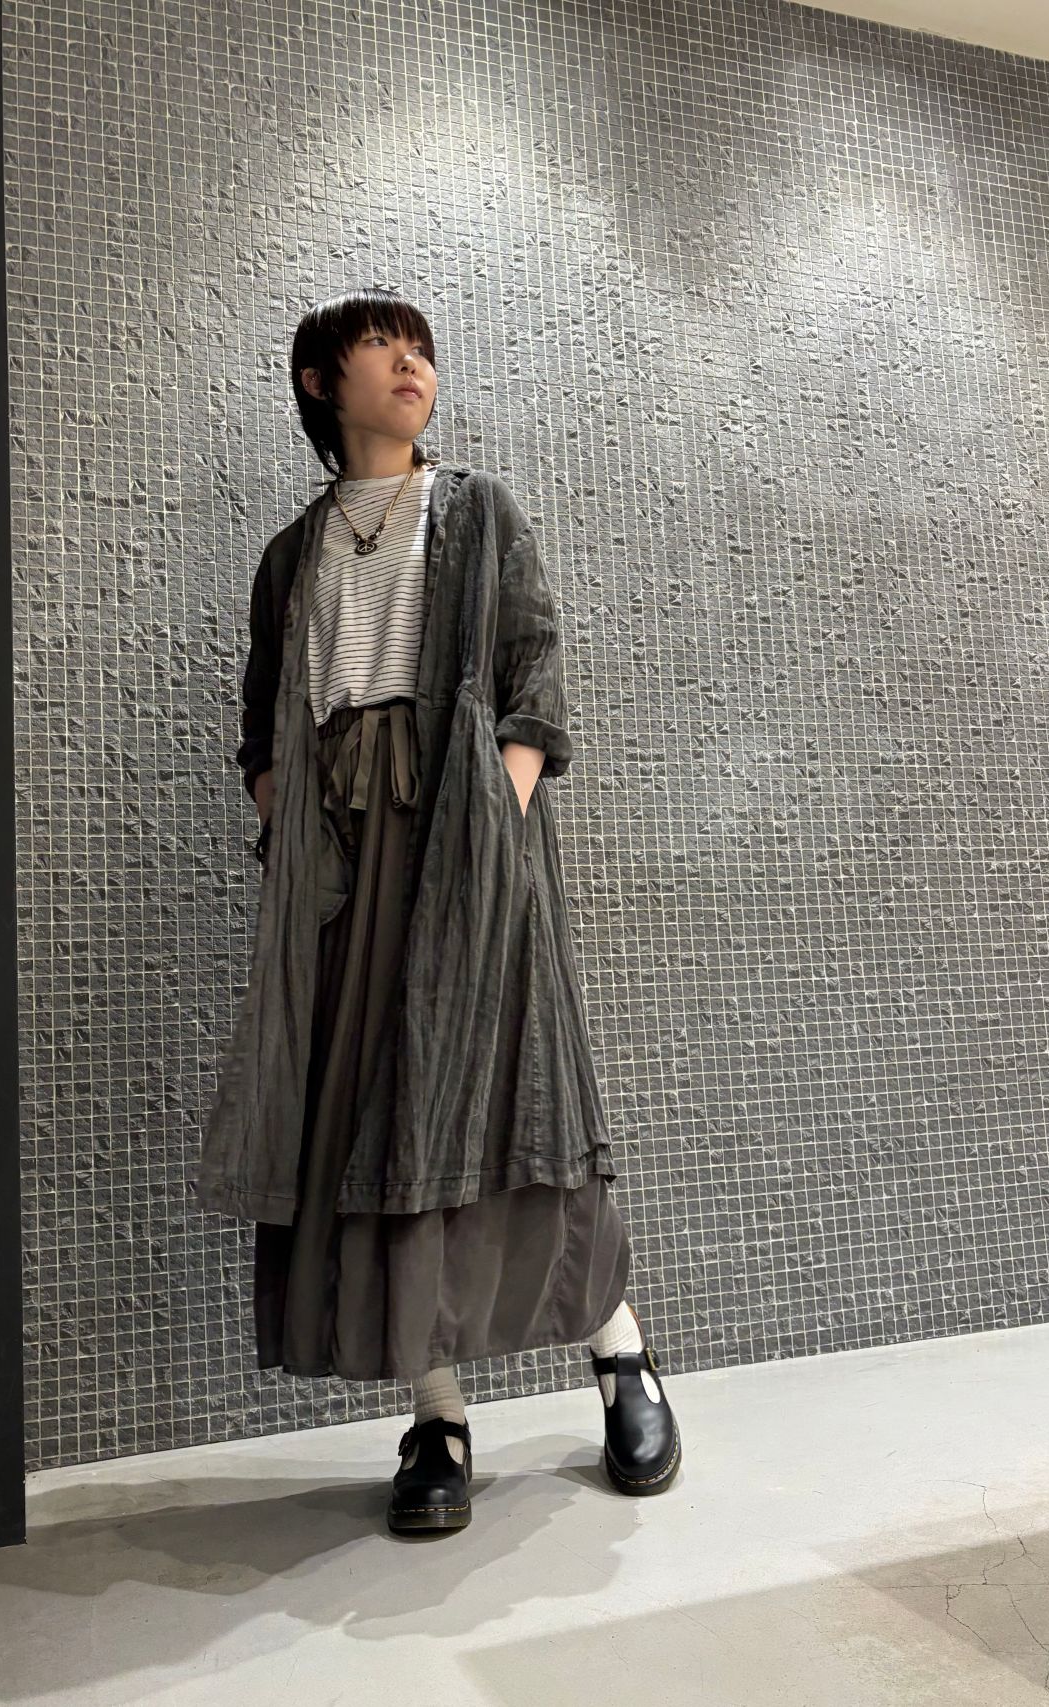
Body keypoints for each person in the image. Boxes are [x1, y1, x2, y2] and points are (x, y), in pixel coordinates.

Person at [206, 286, 680, 1533]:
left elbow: (533, 677)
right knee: (370, 1120)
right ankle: (436, 1417)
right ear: (321, 383)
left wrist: (497, 826)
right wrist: (285, 818)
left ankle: (618, 1351)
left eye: (422, 351)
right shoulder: (293, 554)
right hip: (339, 867)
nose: (412, 366)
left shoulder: (475, 512)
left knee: (521, 1096)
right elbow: (262, 721)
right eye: (384, 349)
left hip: (467, 839)